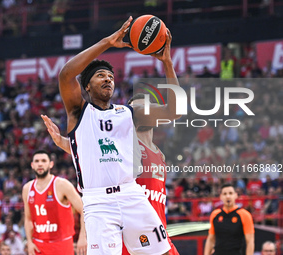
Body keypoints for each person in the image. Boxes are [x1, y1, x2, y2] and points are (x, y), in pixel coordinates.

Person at [42, 16, 181, 255]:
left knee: (164, 252)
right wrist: (108, 42)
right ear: (86, 86)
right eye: (100, 75)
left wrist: (167, 62)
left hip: (131, 193)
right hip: (98, 202)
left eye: (111, 76)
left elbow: (174, 111)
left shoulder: (128, 112)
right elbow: (66, 74)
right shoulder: (79, 112)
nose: (108, 78)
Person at [22, 150, 87, 255]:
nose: (40, 164)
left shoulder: (62, 185)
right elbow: (28, 219)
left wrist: (83, 236)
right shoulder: (27, 188)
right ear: (32, 165)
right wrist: (29, 242)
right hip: (38, 245)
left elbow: (84, 210)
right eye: (37, 161)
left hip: (62, 244)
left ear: (50, 164)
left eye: (43, 161)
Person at [204, 183, 255, 255]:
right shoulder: (215, 214)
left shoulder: (244, 215)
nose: (228, 196)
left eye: (230, 193)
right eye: (224, 194)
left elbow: (250, 241)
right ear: (221, 196)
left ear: (236, 195)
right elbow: (210, 239)